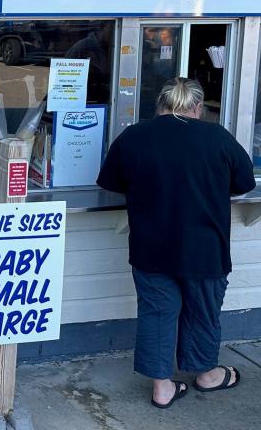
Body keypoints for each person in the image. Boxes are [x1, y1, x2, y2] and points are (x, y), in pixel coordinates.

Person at [97, 77, 255, 409]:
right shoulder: (217, 137)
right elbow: (243, 182)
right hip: (205, 249)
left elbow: (111, 181)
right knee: (203, 312)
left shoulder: (135, 137)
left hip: (151, 247)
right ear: (198, 107)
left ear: (161, 105)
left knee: (156, 313)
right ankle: (207, 375)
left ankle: (162, 388)